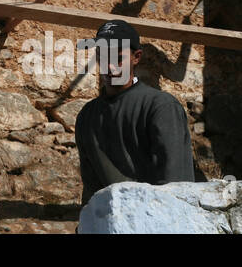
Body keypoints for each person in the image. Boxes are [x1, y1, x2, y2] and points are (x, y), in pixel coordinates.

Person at [75, 20, 194, 207]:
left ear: (136, 57)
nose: (109, 66)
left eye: (117, 58)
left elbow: (176, 186)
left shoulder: (161, 107)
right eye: (102, 56)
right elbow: (91, 191)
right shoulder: (87, 116)